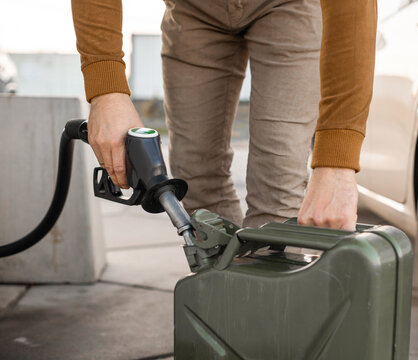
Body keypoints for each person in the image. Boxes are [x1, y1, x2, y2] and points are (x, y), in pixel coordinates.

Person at [71, 0, 376, 231]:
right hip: (195, 9)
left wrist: (337, 163)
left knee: (278, 191)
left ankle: (268, 309)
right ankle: (226, 304)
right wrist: (106, 91)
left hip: (288, 6)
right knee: (196, 184)